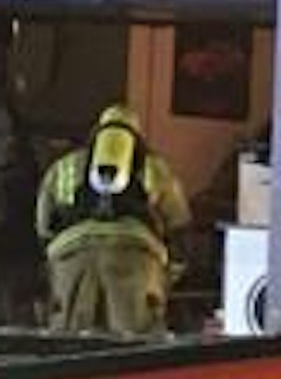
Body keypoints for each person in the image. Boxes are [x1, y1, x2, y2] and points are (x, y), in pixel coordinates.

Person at [36, 104, 190, 334]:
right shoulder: (154, 169)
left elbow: (44, 225)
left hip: (72, 259)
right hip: (135, 259)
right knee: (134, 348)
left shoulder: (64, 167)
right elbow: (179, 225)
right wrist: (170, 275)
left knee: (68, 344)